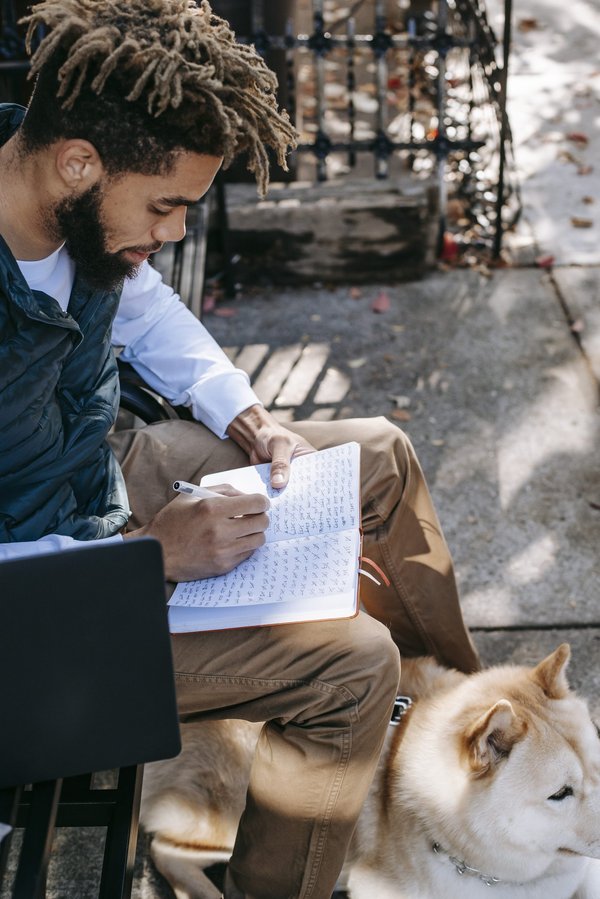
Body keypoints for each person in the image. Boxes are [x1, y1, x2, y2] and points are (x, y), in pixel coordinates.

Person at [0, 2, 479, 896]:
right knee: (352, 663)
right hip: (40, 616)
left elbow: (137, 305)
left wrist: (248, 416)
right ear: (77, 164)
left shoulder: (46, 183)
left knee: (378, 455)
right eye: (166, 205)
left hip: (92, 476)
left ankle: (470, 711)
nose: (177, 232)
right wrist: (151, 558)